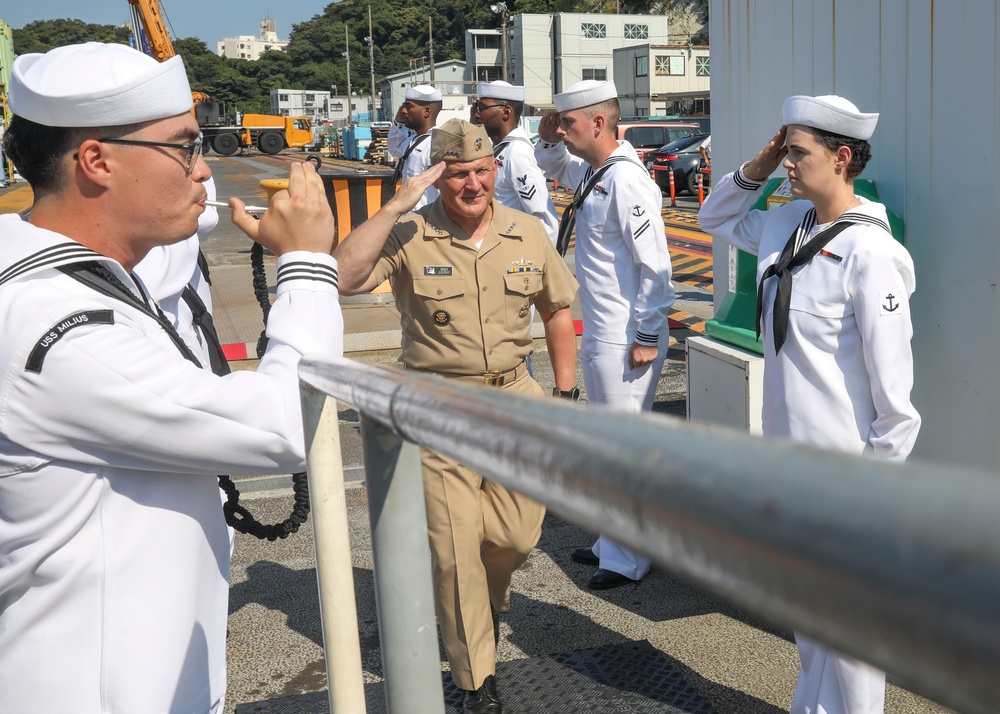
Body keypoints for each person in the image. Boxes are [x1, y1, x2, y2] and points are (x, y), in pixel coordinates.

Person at [0, 42, 342, 714]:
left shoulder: (59, 280)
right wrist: (305, 263)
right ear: (97, 160)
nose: (204, 169)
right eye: (183, 148)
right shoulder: (59, 325)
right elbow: (282, 427)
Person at [335, 118, 579, 714]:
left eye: (482, 171)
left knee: (516, 538)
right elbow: (343, 276)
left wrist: (565, 396)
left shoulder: (527, 231)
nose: (473, 185)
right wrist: (397, 203)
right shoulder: (412, 232)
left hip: (516, 399)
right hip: (440, 403)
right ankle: (476, 682)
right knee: (454, 548)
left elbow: (555, 311)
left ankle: (488, 604)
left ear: (495, 168)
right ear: (439, 178)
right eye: (459, 175)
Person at [698, 94, 921, 714]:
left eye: (798, 153)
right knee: (808, 611)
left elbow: (897, 402)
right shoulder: (783, 226)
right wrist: (761, 162)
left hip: (844, 469)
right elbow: (714, 217)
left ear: (842, 157)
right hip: (789, 459)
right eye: (786, 151)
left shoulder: (871, 254)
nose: (789, 165)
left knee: (850, 629)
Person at [534, 80, 674, 590]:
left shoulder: (628, 182)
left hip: (624, 336)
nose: (562, 131)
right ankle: (612, 543)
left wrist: (645, 334)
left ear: (597, 122)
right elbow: (550, 166)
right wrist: (550, 138)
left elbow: (657, 270)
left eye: (567, 123)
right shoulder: (598, 171)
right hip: (601, 327)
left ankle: (629, 559)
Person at [471, 80, 559, 245]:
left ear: (505, 112)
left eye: (481, 108)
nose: (477, 115)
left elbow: (543, 220)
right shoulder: (500, 149)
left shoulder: (518, 153)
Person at [391, 84, 442, 209]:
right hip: (410, 218)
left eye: (409, 107)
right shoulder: (412, 140)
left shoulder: (437, 143)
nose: (403, 111)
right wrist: (398, 123)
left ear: (426, 112)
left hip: (427, 220)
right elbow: (394, 147)